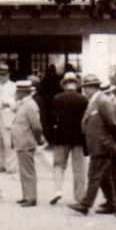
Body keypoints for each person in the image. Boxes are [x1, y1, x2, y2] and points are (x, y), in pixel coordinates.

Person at [72, 74, 116, 215]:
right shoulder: (95, 101)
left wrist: (112, 141)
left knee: (94, 174)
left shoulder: (103, 101)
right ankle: (112, 203)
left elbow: (112, 123)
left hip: (102, 145)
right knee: (103, 176)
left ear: (93, 88)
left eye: (87, 88)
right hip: (96, 145)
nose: (84, 91)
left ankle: (86, 204)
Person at [47, 73, 89, 207]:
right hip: (78, 137)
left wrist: (51, 135)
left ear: (64, 84)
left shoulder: (57, 98)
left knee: (59, 164)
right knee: (79, 168)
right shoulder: (83, 99)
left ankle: (58, 190)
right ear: (76, 84)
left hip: (61, 136)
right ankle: (80, 196)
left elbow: (52, 119)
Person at [8, 78, 46, 207]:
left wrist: (37, 139)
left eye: (18, 92)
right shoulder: (25, 104)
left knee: (28, 171)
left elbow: (36, 126)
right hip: (21, 141)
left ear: (23, 92)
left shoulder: (29, 105)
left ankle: (31, 197)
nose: (16, 94)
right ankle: (26, 195)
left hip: (26, 142)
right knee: (24, 171)